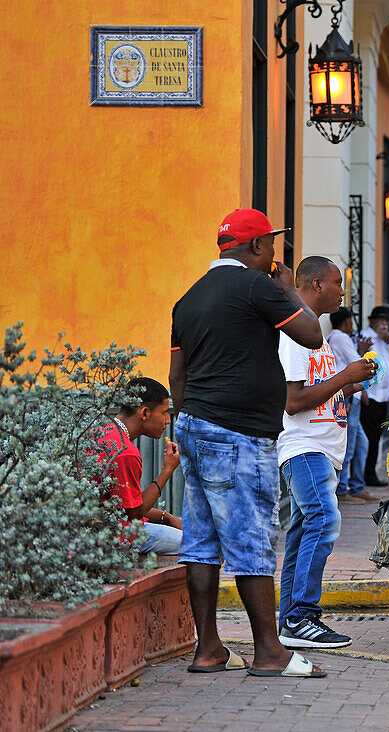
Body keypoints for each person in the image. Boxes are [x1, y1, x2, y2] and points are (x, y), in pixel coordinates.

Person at [170, 208, 328, 678]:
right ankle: (270, 652)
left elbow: (177, 378)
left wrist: (195, 418)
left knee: (201, 543)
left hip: (195, 427)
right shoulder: (259, 286)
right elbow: (312, 335)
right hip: (239, 434)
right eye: (272, 246)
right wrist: (286, 290)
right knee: (253, 539)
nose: (276, 255)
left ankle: (209, 649)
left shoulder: (188, 297)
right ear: (256, 247)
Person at [277, 257, 376, 650]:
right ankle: (303, 616)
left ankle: (290, 621)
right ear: (315, 285)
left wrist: (353, 382)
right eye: (337, 283)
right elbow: (292, 400)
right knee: (323, 519)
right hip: (304, 448)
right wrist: (345, 376)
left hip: (323, 449)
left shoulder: (315, 331)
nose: (342, 291)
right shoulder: (295, 333)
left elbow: (322, 391)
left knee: (303, 532)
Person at [96, 377, 183, 555]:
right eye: (165, 412)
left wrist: (168, 518)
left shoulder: (101, 431)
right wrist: (167, 471)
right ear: (144, 413)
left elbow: (127, 507)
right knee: (204, 548)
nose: (168, 421)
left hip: (100, 530)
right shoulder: (125, 452)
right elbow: (133, 517)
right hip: (118, 536)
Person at [327, 307, 370, 504]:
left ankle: (357, 485)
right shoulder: (340, 337)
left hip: (349, 394)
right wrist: (362, 353)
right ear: (346, 322)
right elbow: (357, 364)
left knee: (361, 442)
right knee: (349, 443)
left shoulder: (335, 337)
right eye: (350, 321)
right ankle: (342, 489)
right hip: (347, 395)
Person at [359, 306, 389, 487]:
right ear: (372, 321)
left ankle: (370, 473)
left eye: (387, 321)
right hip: (370, 395)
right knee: (368, 437)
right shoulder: (365, 336)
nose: (384, 324)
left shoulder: (387, 339)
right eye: (381, 321)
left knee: (376, 436)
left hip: (384, 395)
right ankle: (366, 474)